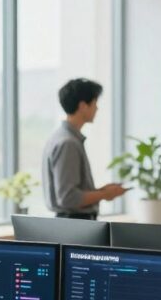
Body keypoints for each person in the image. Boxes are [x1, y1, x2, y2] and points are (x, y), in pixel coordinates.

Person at [42, 78, 126, 219]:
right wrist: (105, 195)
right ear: (83, 106)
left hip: (71, 222)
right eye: (95, 103)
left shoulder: (63, 138)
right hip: (75, 224)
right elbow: (68, 198)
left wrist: (101, 191)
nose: (97, 108)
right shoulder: (68, 143)